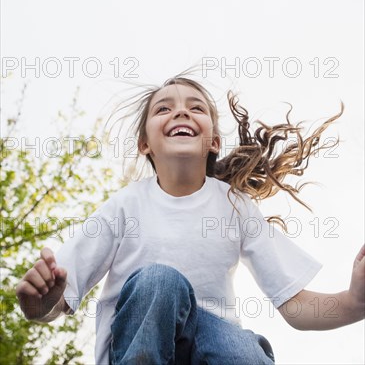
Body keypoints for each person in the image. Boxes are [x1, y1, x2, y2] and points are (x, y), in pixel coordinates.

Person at [16, 74, 365, 365]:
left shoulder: (235, 206)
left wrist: (354, 302)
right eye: (164, 108)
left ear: (213, 140)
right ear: (144, 144)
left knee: (241, 347)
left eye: (195, 108)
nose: (181, 112)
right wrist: (41, 303)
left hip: (212, 350)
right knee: (160, 280)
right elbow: (57, 300)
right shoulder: (125, 206)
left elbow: (294, 304)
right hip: (141, 349)